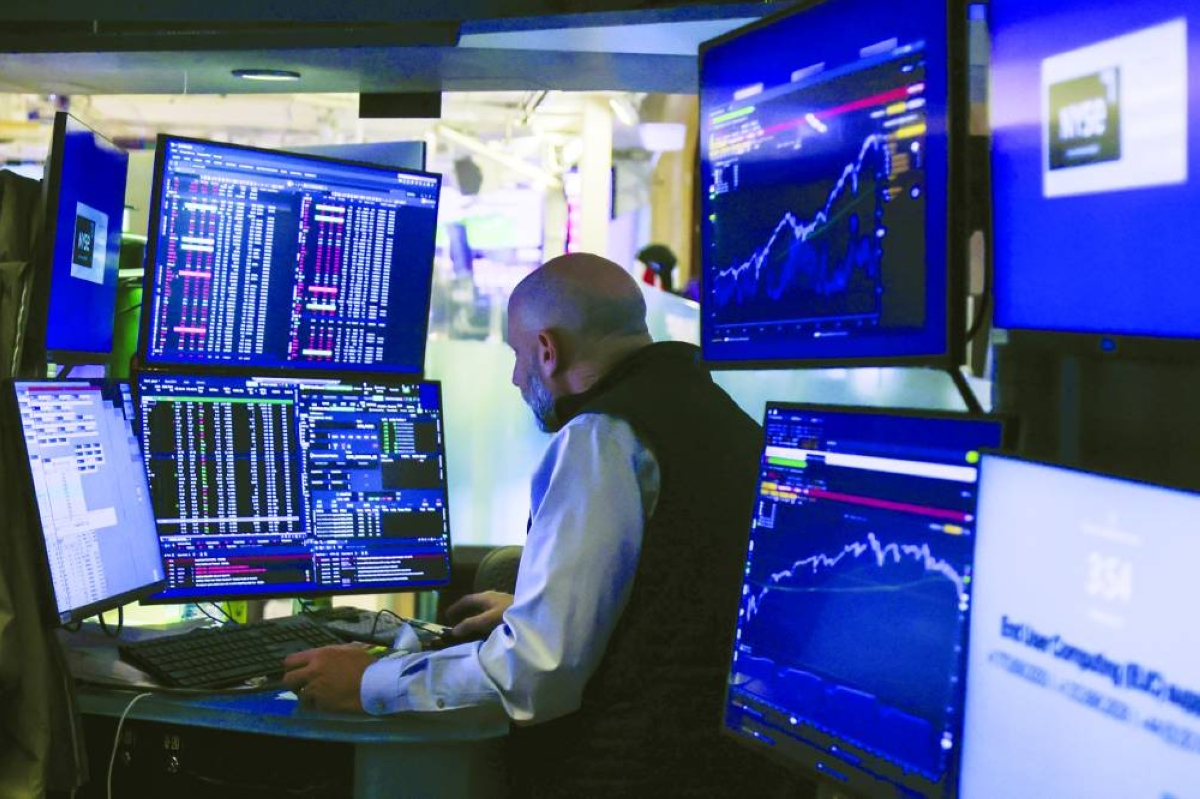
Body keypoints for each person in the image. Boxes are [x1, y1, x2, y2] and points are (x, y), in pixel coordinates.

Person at [282, 252, 800, 796]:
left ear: (548, 351)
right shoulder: (717, 416)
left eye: (516, 352)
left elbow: (535, 676)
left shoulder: (601, 438)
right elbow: (681, 599)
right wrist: (536, 609)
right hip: (731, 764)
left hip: (635, 773)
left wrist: (368, 682)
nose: (513, 375)